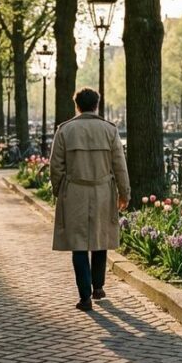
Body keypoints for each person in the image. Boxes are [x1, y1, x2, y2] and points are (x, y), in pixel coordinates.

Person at [49, 88, 130, 311]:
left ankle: (85, 297)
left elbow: (55, 166)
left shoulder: (65, 131)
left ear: (77, 106)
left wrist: (58, 191)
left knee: (78, 245)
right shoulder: (110, 131)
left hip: (75, 191)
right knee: (100, 238)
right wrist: (124, 193)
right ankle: (98, 286)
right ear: (97, 105)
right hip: (103, 191)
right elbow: (120, 166)